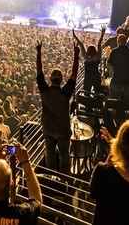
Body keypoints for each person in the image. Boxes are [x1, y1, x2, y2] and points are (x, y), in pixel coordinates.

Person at [36, 40, 78, 174]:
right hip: (62, 129)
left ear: (50, 78)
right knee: (65, 155)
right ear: (62, 80)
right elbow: (74, 74)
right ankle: (65, 178)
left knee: (49, 153)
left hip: (48, 128)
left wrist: (38, 53)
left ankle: (51, 178)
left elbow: (39, 72)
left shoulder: (44, 91)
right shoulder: (65, 93)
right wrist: (76, 55)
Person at [73, 26, 106, 94]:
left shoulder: (87, 59)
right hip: (96, 77)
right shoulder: (98, 58)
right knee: (98, 92)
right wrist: (103, 33)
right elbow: (99, 44)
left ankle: (87, 104)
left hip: (88, 78)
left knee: (86, 93)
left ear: (88, 51)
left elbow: (81, 45)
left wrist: (74, 36)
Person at [106, 34, 129, 102]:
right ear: (126, 41)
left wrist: (115, 66)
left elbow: (108, 64)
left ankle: (113, 110)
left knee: (113, 98)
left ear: (118, 41)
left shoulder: (114, 51)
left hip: (116, 79)